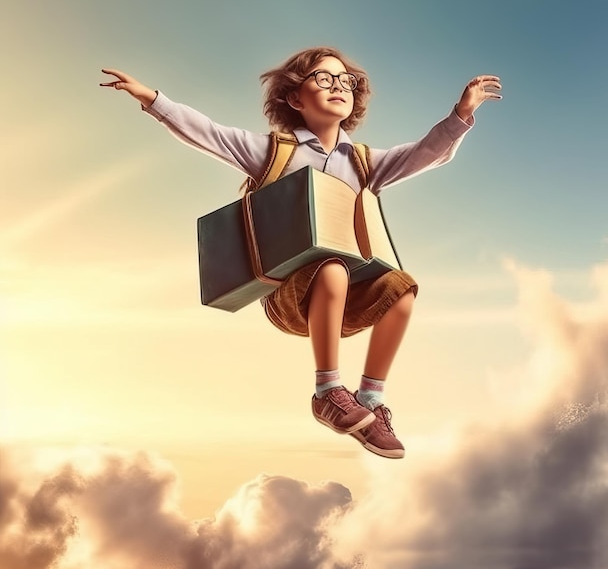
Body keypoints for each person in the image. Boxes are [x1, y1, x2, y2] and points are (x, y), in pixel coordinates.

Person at [101, 46, 501, 459]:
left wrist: (460, 116)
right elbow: (208, 132)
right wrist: (152, 100)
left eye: (346, 81)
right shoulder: (275, 152)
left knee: (403, 289)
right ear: (295, 98)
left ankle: (369, 400)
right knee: (331, 267)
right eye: (324, 79)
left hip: (346, 300)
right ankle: (328, 391)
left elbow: (424, 154)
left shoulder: (365, 162)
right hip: (289, 296)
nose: (338, 87)